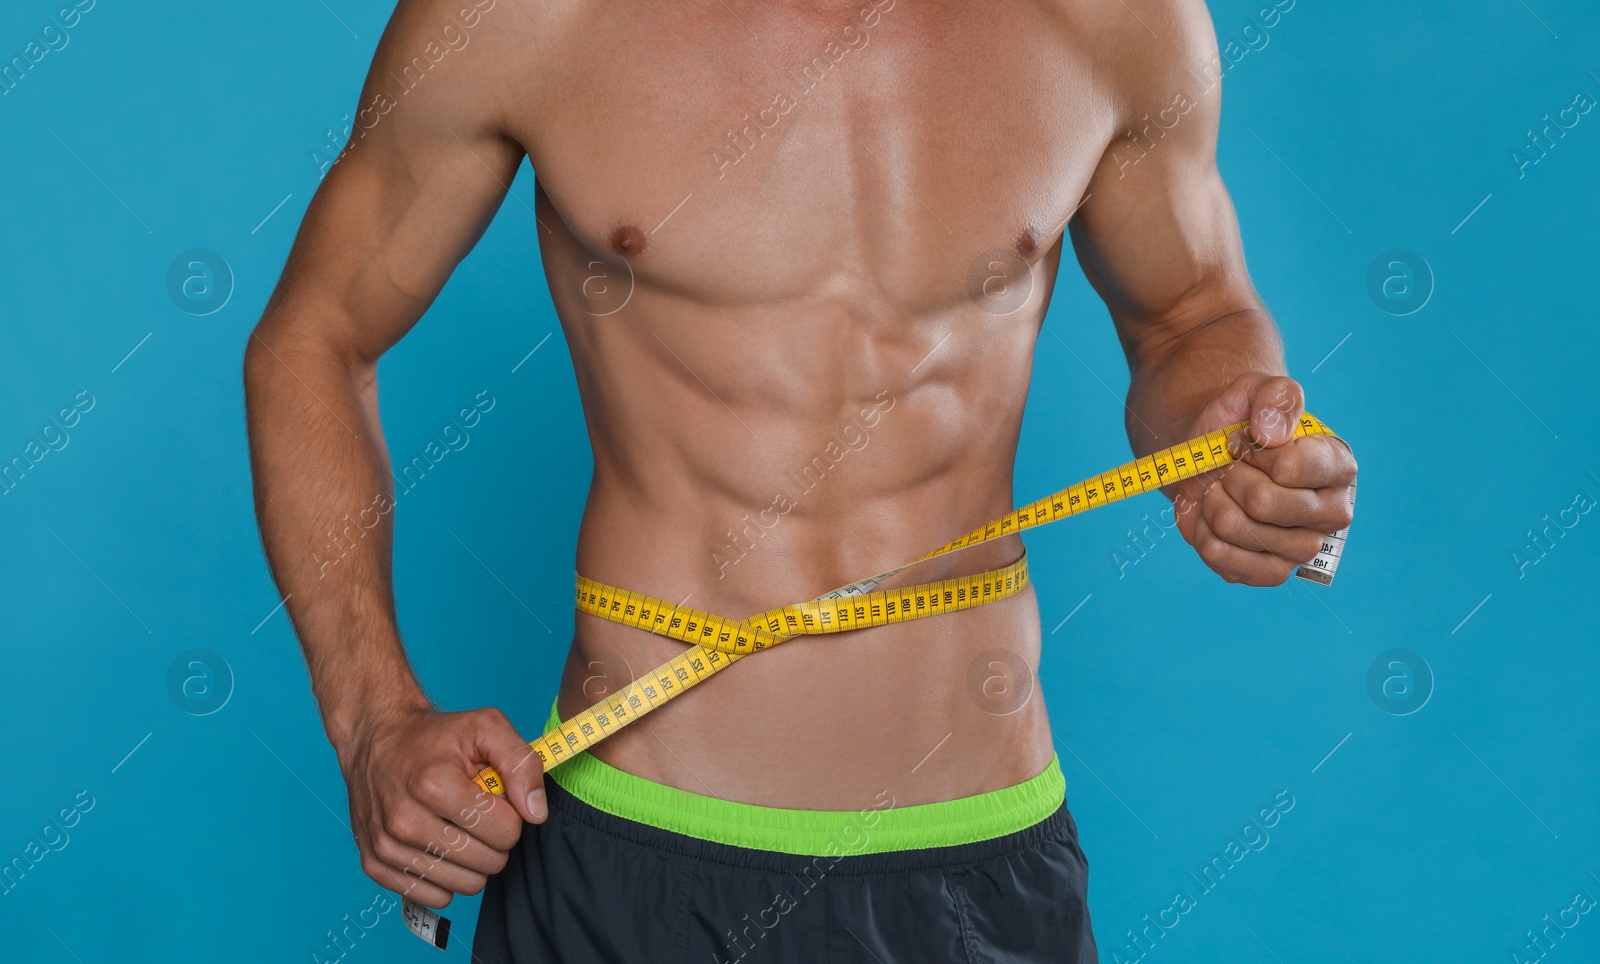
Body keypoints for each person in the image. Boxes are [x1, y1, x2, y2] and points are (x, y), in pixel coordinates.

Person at [243, 0, 1356, 960]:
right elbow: (315, 337)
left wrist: (1233, 420)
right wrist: (372, 719)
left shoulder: (1105, 18)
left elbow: (1191, 313)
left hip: (978, 847)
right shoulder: (536, 17)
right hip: (635, 853)